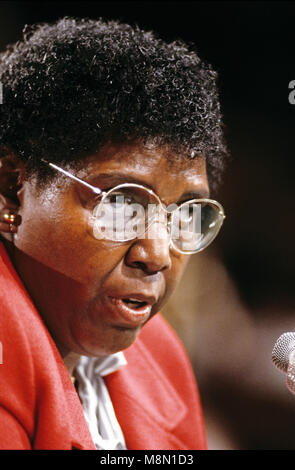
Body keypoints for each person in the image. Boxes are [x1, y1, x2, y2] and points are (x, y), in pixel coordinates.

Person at [0, 17, 228, 450]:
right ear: (12, 190)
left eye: (184, 213)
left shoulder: (160, 357)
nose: (157, 253)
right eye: (122, 203)